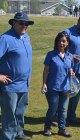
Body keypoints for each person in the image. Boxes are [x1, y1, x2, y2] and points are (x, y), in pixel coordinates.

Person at [0, 12, 34, 140]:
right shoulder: (5, 39)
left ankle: (19, 134)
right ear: (13, 22)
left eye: (27, 24)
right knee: (9, 116)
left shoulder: (26, 37)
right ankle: (8, 137)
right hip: (10, 86)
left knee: (20, 113)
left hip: (24, 84)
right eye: (21, 23)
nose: (24, 26)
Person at [41, 32, 74, 138]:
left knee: (63, 109)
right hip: (52, 87)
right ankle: (47, 127)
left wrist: (72, 72)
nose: (61, 43)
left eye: (64, 41)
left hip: (65, 88)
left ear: (67, 43)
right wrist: (44, 83)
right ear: (56, 42)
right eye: (59, 41)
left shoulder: (69, 56)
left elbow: (70, 68)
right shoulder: (51, 54)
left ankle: (62, 129)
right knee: (53, 108)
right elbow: (46, 70)